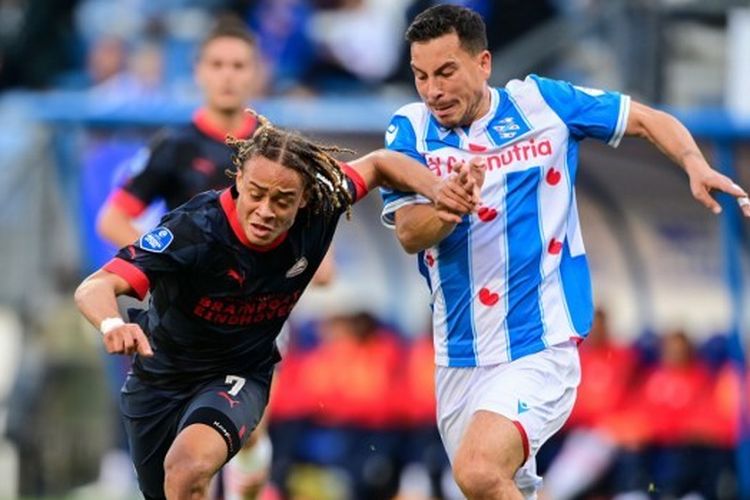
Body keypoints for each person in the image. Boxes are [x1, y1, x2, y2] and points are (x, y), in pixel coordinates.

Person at [380, 4, 750, 499]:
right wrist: (451, 206)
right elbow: (408, 233)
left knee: (477, 471)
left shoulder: (542, 104)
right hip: (459, 355)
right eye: (422, 76)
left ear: (484, 62)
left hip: (542, 342)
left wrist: (693, 163)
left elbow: (644, 118)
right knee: (497, 486)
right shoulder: (409, 130)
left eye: (446, 72)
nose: (434, 91)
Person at [74, 112, 478, 500]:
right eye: (257, 195)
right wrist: (111, 323)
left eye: (283, 200)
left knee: (188, 468)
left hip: (238, 373)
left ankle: (249, 463)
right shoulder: (193, 230)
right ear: (239, 182)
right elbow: (96, 286)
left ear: (304, 199)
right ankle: (248, 468)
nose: (266, 211)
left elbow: (381, 163)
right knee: (167, 486)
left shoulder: (324, 203)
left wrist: (440, 190)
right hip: (160, 378)